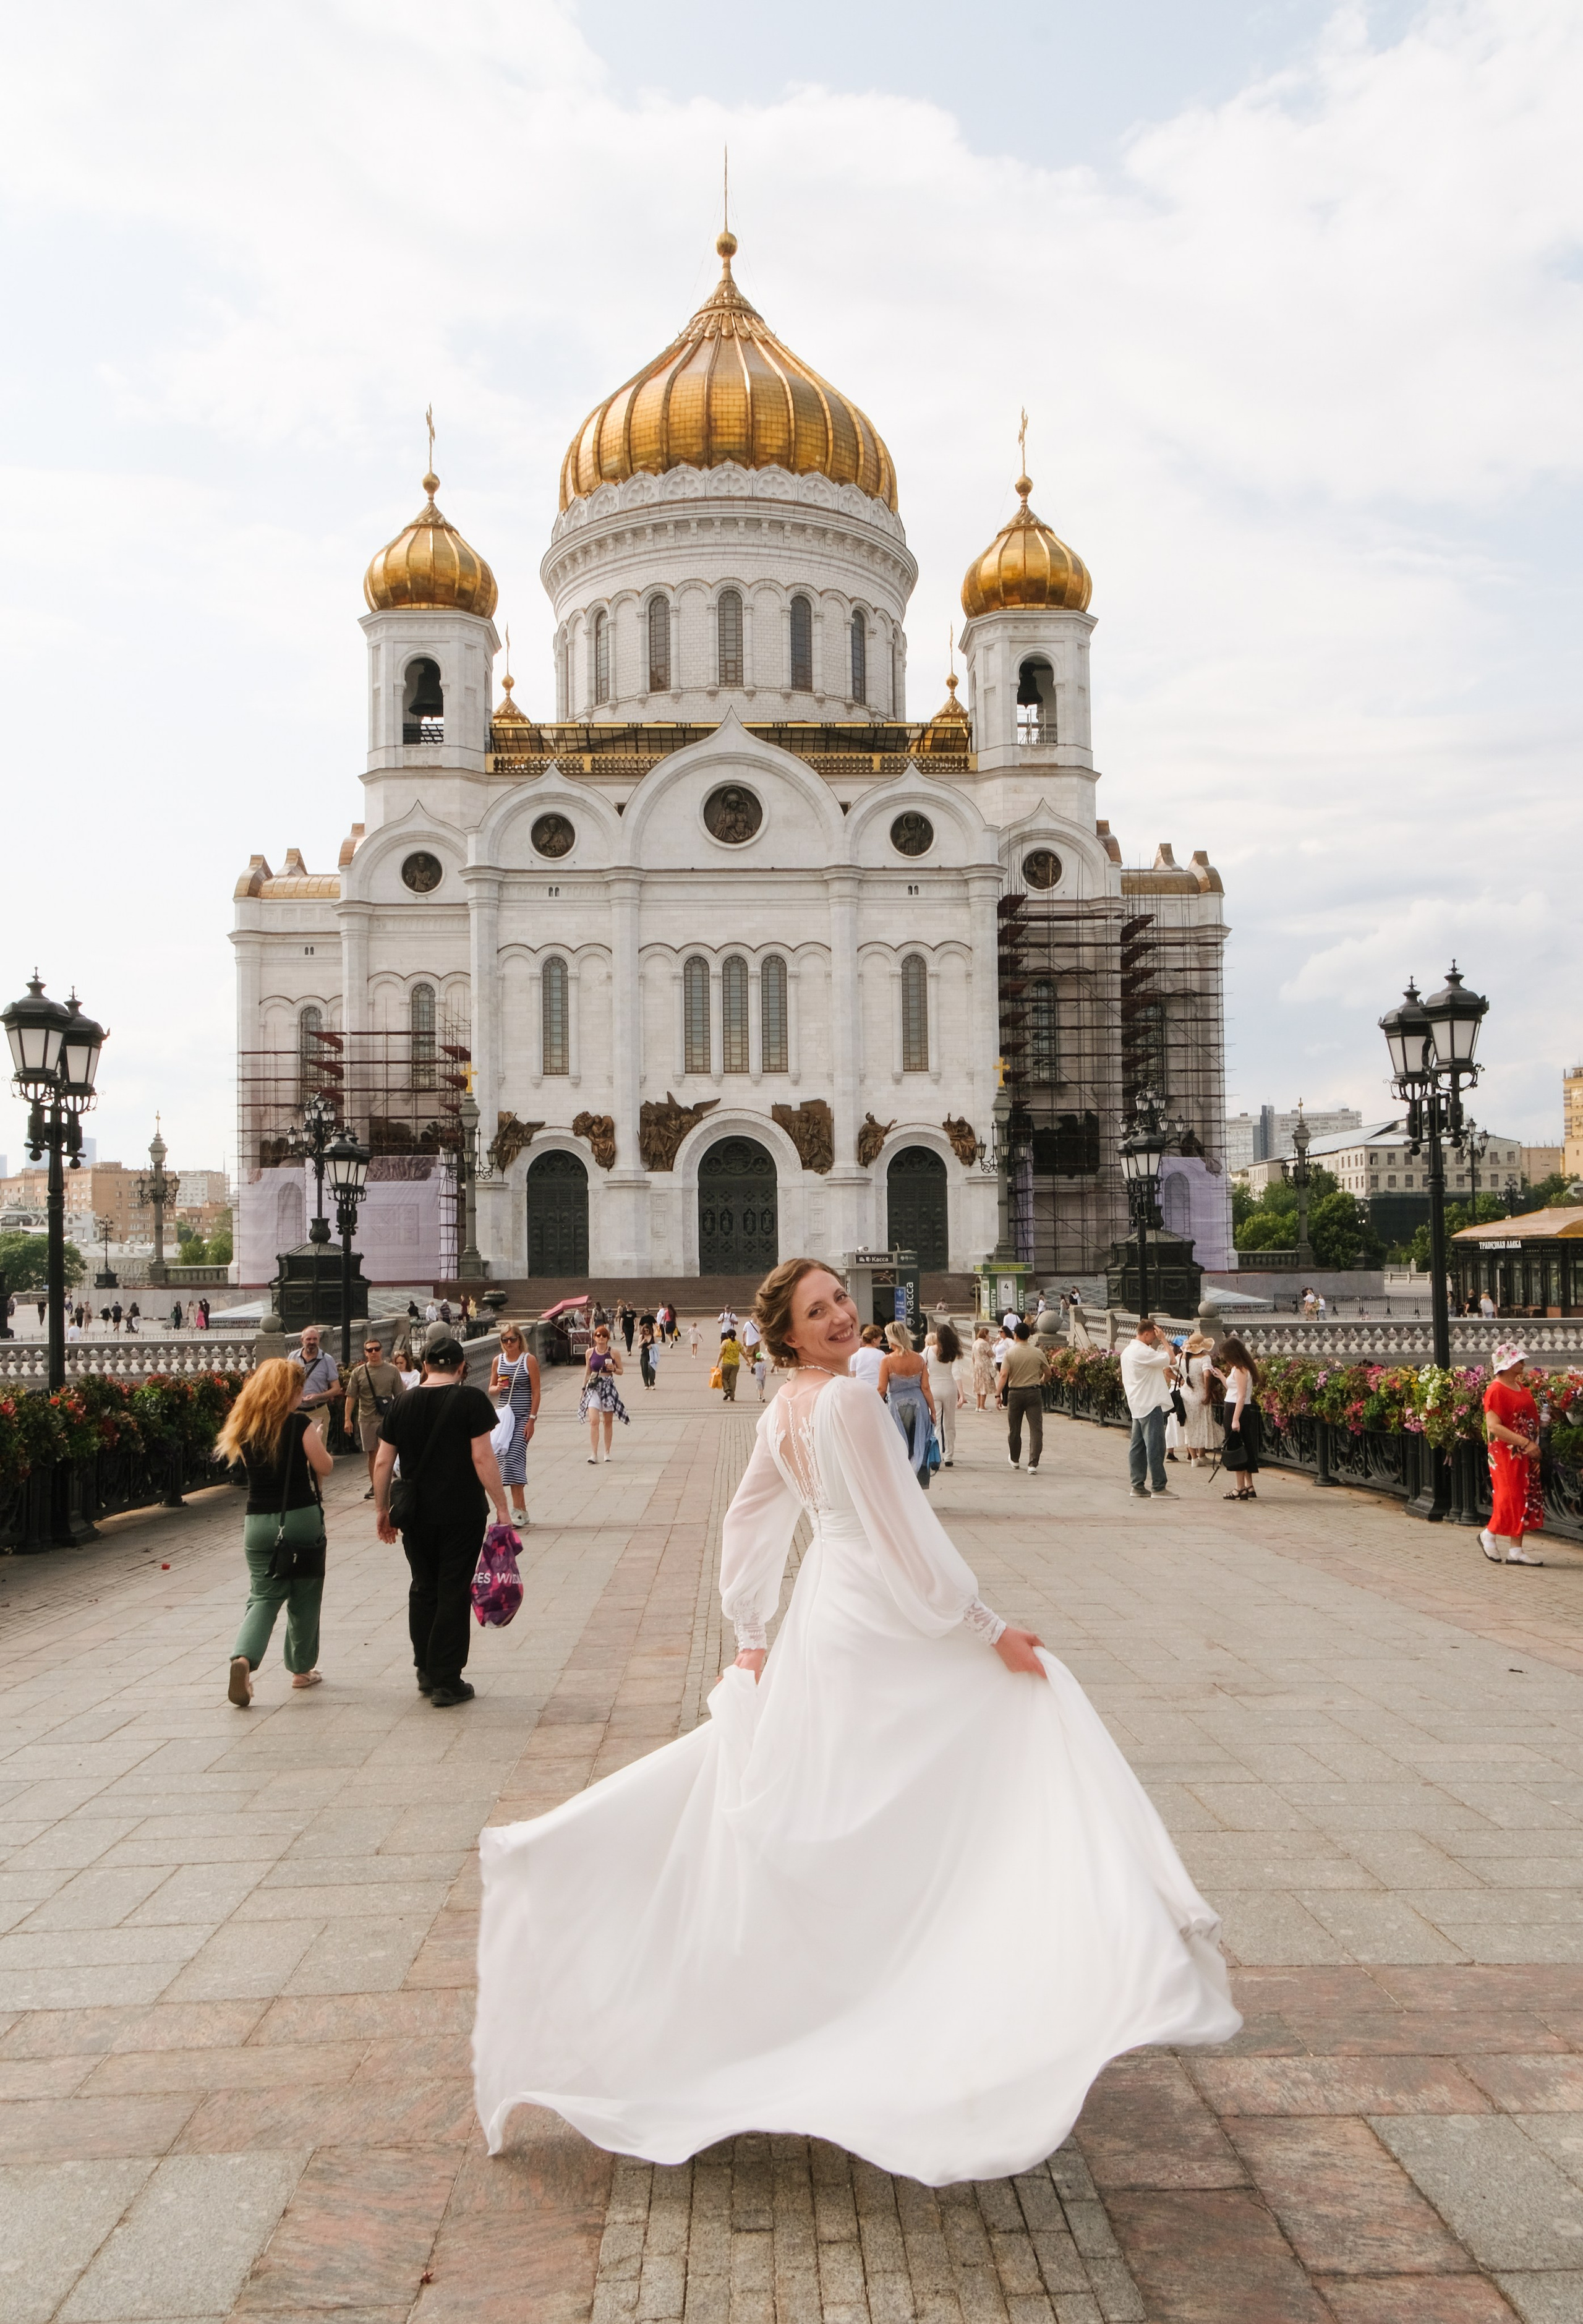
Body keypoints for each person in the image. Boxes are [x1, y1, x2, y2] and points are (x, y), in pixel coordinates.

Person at [474, 1256, 1239, 2182]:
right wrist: (984, 1624)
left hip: (825, 1611)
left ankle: (855, 1978)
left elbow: (747, 1519)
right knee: (1007, 1723)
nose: (841, 1315)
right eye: (819, 1308)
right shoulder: (842, 1403)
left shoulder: (782, 1407)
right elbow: (900, 1527)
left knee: (841, 1794)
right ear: (788, 1332)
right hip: (877, 1603)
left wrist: (754, 1630)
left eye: (842, 1299)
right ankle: (969, 1975)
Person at [373, 1336, 513, 1707]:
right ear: (462, 1367)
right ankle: (447, 1679)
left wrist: (382, 1510)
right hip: (461, 1511)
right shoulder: (470, 1400)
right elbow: (483, 1458)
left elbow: (384, 1462)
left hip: (416, 1514)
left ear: (424, 1366)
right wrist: (501, 1506)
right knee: (453, 1589)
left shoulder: (402, 1403)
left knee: (423, 1587)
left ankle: (425, 1668)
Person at [216, 1356, 333, 1707]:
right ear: (290, 1392)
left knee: (264, 1596)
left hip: (257, 1523)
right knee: (305, 1594)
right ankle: (301, 1670)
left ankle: (243, 1659)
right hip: (299, 1517)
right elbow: (324, 1467)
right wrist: (320, 1439)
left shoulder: (244, 1427)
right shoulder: (300, 1425)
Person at [1481, 1344, 1544, 1566]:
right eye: (1518, 1360)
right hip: (1507, 1452)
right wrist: (1525, 1442)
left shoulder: (1519, 1386)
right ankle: (1490, 1532)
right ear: (1507, 1365)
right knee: (1511, 1496)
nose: (1523, 1363)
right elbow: (1494, 1427)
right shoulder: (1496, 1390)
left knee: (1524, 1495)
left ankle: (1516, 1549)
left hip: (1524, 1451)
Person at [488, 1323, 541, 1526]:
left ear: (520, 1340)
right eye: (505, 1340)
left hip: (522, 1417)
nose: (509, 1343)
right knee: (503, 1460)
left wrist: (532, 1419)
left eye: (513, 1339)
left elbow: (536, 1392)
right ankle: (522, 1510)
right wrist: (498, 1387)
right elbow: (491, 1389)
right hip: (504, 1418)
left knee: (514, 1457)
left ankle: (517, 1510)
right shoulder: (497, 1361)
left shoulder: (529, 1360)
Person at [1120, 1320, 1178, 1500]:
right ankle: (1159, 1487)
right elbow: (1173, 1359)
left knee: (1137, 1447)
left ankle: (1137, 1485)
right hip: (1150, 1403)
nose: (1155, 1338)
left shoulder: (1128, 1351)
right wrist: (1164, 1341)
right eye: (1154, 1335)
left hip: (1137, 1403)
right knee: (1156, 1446)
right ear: (1146, 1333)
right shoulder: (1143, 1352)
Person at [343, 1336, 407, 1498]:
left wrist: (402, 1418)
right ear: (365, 1353)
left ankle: (386, 1483)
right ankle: (375, 1485)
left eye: (377, 1349)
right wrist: (347, 1419)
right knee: (372, 1454)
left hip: (387, 1418)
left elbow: (399, 1396)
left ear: (382, 1350)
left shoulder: (392, 1370)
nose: (374, 1353)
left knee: (385, 1452)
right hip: (366, 1418)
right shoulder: (359, 1372)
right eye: (370, 1350)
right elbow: (351, 1397)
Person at [877, 1321, 936, 1490]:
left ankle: (901, 1483)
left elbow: (882, 1389)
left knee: (899, 1445)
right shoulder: (918, 1359)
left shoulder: (887, 1361)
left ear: (892, 1339)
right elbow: (925, 1387)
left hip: (897, 1406)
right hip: (919, 1404)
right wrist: (933, 1411)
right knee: (917, 1444)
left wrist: (874, 1407)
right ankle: (918, 1481)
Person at [1213, 1336, 1262, 1502]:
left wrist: (1235, 1419)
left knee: (1235, 1448)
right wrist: (1221, 1376)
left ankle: (1239, 1488)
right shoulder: (1238, 1369)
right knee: (1243, 1446)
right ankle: (1249, 1486)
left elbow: (1240, 1397)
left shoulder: (1241, 1371)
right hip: (1235, 1406)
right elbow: (1232, 1389)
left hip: (1236, 1409)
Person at [997, 1322, 1049, 1475]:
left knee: (1015, 1428)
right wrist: (1041, 1381)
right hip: (1034, 1392)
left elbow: (1003, 1375)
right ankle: (1033, 1463)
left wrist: (997, 1394)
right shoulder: (1038, 1353)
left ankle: (1015, 1459)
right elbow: (1048, 1372)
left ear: (1016, 1336)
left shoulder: (1010, 1353)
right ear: (1029, 1336)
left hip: (1015, 1393)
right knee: (1036, 1429)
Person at [581, 1323, 630, 1459]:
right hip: (594, 1387)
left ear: (607, 1338)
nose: (601, 1338)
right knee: (594, 1421)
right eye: (598, 1335)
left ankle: (607, 1452)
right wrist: (583, 1389)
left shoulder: (613, 1353)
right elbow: (587, 1372)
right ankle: (594, 1453)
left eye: (604, 1335)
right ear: (595, 1338)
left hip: (608, 1386)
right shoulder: (589, 1353)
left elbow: (621, 1371)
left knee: (607, 1422)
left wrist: (613, 1369)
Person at [290, 1326, 340, 1448]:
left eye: (315, 1339)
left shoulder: (327, 1360)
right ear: (302, 1340)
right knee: (296, 1447)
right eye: (308, 1339)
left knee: (317, 1448)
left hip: (318, 1411)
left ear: (319, 1340)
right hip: (296, 1411)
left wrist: (318, 1397)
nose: (312, 1342)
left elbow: (336, 1389)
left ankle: (315, 1468)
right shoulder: (293, 1357)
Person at [925, 1321, 963, 1466]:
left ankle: (938, 1455)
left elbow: (922, 1367)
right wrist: (962, 1394)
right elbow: (956, 1373)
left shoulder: (928, 1351)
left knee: (936, 1423)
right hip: (949, 1388)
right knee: (949, 1424)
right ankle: (949, 1456)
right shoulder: (953, 1353)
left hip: (933, 1388)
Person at [1180, 1331, 1219, 1467]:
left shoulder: (1183, 1358)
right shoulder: (1204, 1359)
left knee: (1190, 1426)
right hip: (1200, 1394)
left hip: (1186, 1394)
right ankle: (1201, 1455)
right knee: (1203, 1423)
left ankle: (1195, 1458)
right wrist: (1208, 1393)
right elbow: (1207, 1375)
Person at [850, 1323, 886, 1392]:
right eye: (880, 1338)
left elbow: (853, 1372)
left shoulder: (855, 1353)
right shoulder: (881, 1354)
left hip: (860, 1388)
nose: (881, 1340)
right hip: (876, 1388)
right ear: (874, 1340)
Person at [971, 1323, 996, 1411]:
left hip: (977, 1366)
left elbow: (973, 1357)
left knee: (978, 1386)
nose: (989, 1337)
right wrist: (991, 1345)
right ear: (985, 1334)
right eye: (988, 1335)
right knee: (984, 1386)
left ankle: (978, 1406)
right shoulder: (984, 1343)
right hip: (984, 1367)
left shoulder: (975, 1343)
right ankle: (982, 1406)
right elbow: (991, 1354)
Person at [718, 1328, 743, 1402]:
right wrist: (749, 1362)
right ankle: (732, 1395)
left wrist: (717, 1363)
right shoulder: (738, 1343)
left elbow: (721, 1354)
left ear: (727, 1336)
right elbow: (743, 1353)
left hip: (726, 1363)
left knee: (723, 1377)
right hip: (736, 1364)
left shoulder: (725, 1343)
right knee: (733, 1379)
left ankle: (727, 1389)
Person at [638, 1317, 659, 1392]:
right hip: (644, 1354)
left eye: (648, 1330)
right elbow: (638, 1346)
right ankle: (646, 1384)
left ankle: (652, 1383)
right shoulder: (641, 1337)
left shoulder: (653, 1337)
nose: (646, 1332)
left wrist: (652, 1346)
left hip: (652, 1354)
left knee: (652, 1369)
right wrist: (643, 1342)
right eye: (645, 1331)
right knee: (644, 1369)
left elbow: (657, 1346)